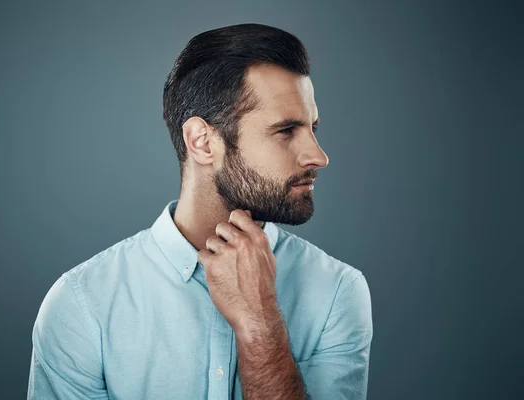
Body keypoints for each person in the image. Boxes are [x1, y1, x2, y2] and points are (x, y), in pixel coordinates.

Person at [27, 23, 373, 400]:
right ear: (203, 142)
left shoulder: (338, 291)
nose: (318, 157)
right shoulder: (83, 304)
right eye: (286, 130)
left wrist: (260, 323)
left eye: (313, 128)